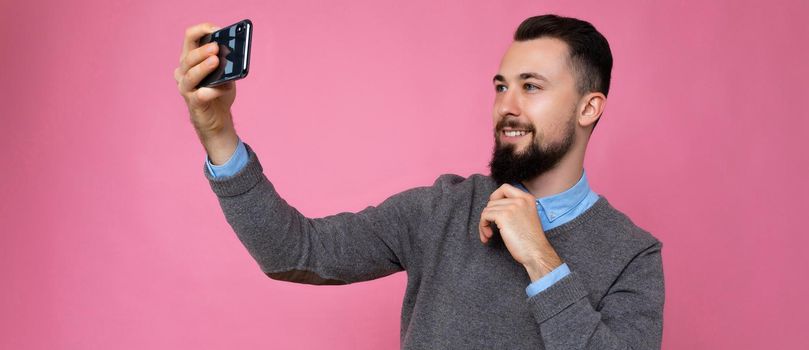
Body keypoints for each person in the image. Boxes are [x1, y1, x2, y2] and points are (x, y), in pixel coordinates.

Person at [173, 14, 664, 349]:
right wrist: (219, 135)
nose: (506, 107)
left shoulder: (633, 256)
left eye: (531, 87)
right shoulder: (441, 209)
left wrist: (541, 259)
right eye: (501, 86)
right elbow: (295, 252)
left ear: (588, 107)